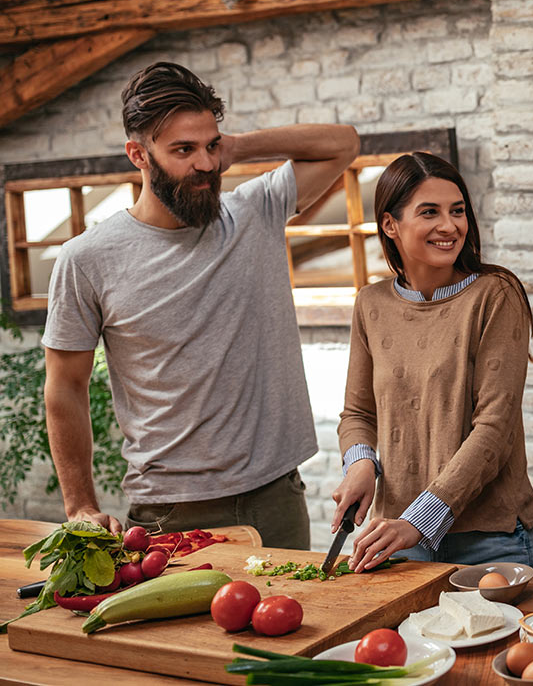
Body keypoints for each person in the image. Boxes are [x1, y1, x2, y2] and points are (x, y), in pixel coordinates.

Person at [42, 61, 360, 547]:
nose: (206, 164)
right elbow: (65, 387)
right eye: (183, 150)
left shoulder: (253, 212)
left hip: (277, 496)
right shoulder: (86, 259)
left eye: (211, 146)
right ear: (138, 155)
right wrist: (80, 505)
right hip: (170, 510)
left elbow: (344, 144)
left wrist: (239, 145)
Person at [334, 152, 533, 572]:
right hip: (395, 540)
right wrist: (360, 463)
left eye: (458, 211)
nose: (450, 226)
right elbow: (358, 412)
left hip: (489, 541)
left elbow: (494, 428)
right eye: (430, 212)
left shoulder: (495, 295)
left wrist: (418, 520)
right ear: (390, 224)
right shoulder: (371, 304)